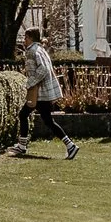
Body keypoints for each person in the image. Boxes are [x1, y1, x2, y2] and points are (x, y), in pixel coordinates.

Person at [15, 27, 77, 160]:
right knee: (45, 120)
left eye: (25, 37)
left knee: (26, 115)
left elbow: (43, 69)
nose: (24, 40)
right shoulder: (40, 49)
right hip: (43, 92)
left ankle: (22, 145)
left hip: (40, 93)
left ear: (31, 38)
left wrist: (30, 83)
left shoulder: (33, 51)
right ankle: (69, 145)